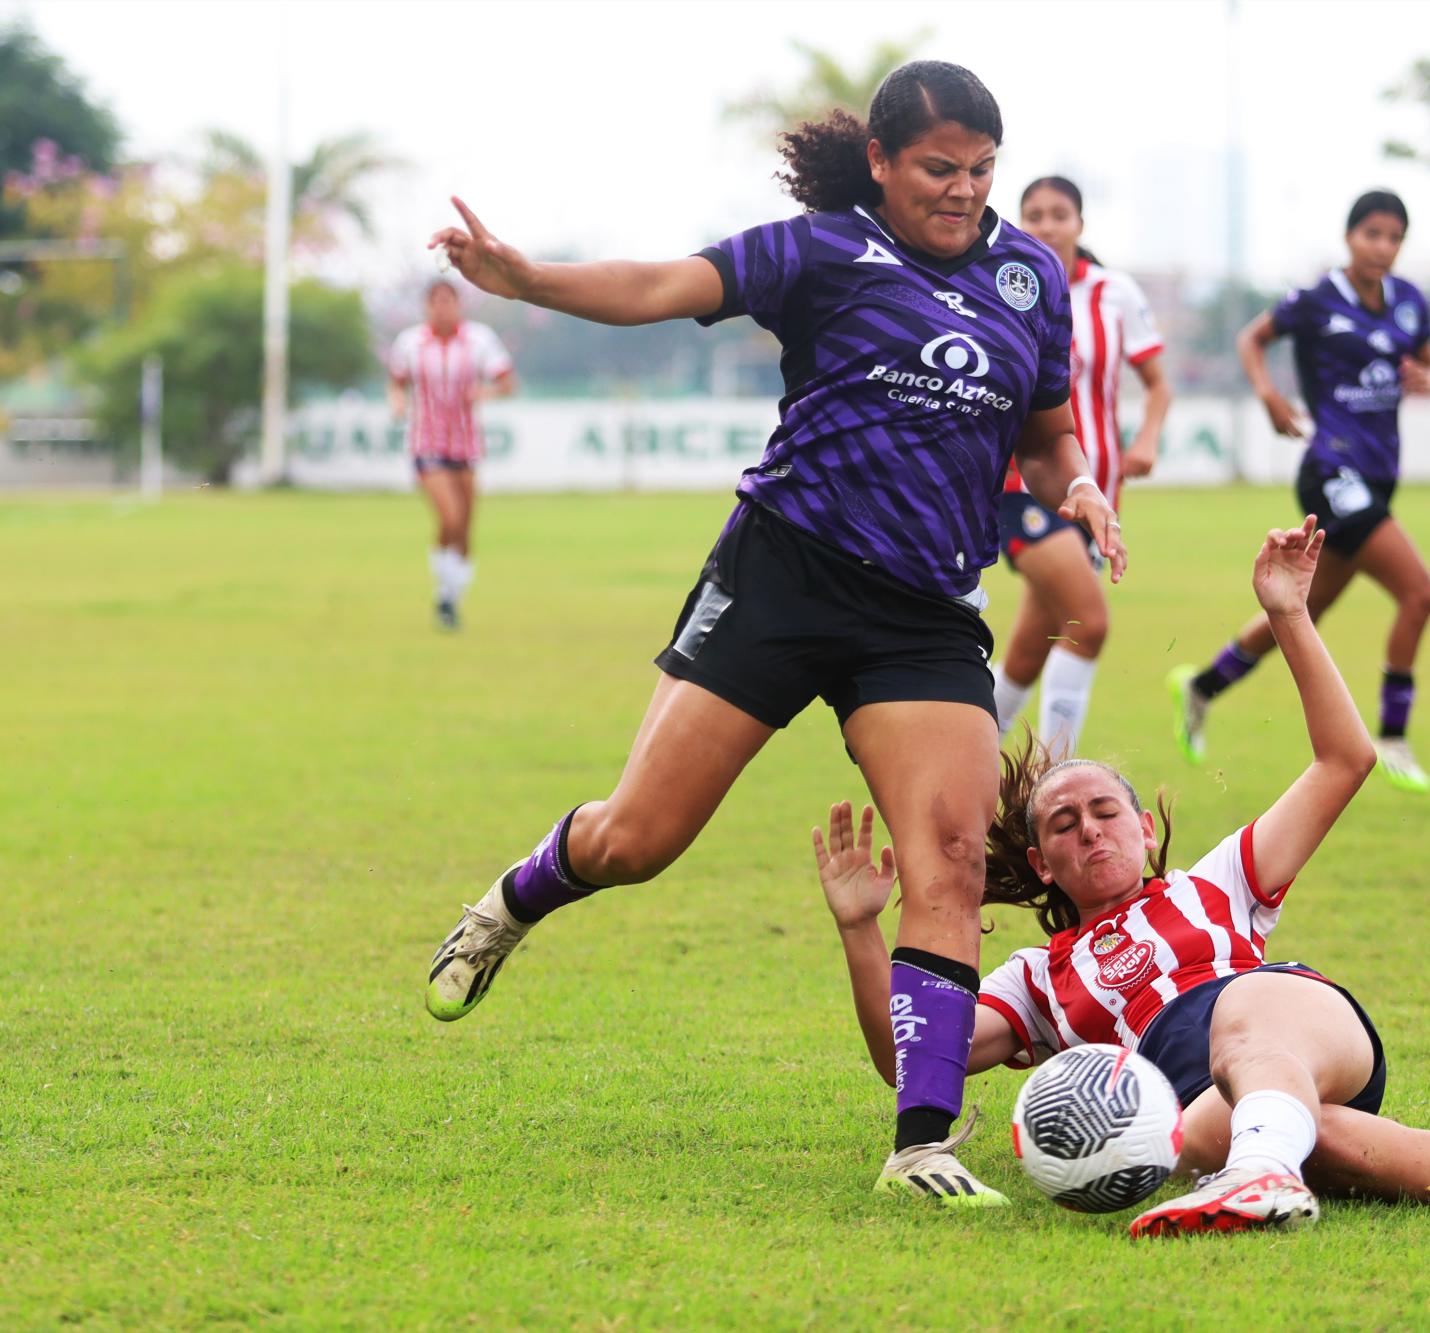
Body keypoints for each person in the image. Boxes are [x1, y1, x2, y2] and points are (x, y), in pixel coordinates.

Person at [420, 61, 1125, 1207]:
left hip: (924, 612)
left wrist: (1079, 483)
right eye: (938, 169)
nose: (962, 191)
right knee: (638, 839)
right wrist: (523, 279)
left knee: (947, 861)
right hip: (782, 572)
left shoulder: (1026, 274)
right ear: (883, 166)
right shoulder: (820, 249)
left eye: (981, 170)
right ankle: (515, 897)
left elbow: (1043, 432)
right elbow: (658, 283)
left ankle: (920, 1143)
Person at [817, 516, 1430, 1237]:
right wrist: (865, 930)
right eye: (1063, 823)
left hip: (1297, 1025)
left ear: (1145, 827)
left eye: (1105, 809)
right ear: (1039, 862)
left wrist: (1289, 616)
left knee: (1243, 1020)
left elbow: (1342, 761)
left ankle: (1261, 1168)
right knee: (1367, 1155)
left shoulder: (1215, 883)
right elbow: (915, 1061)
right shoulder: (1037, 983)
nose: (1090, 828)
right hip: (1205, 1118)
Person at [1170, 190, 1430, 791]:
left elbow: (1425, 360)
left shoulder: (1410, 303)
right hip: (1331, 469)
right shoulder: (1317, 299)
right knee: (1420, 594)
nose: (1383, 246)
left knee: (1302, 611)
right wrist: (1268, 393)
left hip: (1376, 474)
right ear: (1350, 237)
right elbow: (1251, 338)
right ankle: (1393, 735)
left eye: (1394, 237)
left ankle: (1202, 685)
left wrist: (1426, 375)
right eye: (1372, 233)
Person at [991, 176, 1171, 756]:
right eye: (1034, 214)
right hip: (1024, 486)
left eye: (1059, 214)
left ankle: (961, 761)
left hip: (1098, 490)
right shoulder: (1001, 286)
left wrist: (1146, 437)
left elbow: (1158, 384)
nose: (1046, 225)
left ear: (1080, 224)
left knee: (1027, 651)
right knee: (1087, 623)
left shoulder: (1114, 293)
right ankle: (1054, 774)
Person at [387, 279, 516, 631]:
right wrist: (397, 402)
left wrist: (483, 393)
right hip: (426, 441)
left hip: (466, 443)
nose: (442, 308)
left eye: (449, 301)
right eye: (436, 301)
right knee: (450, 515)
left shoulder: (479, 340)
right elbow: (396, 382)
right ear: (427, 306)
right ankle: (445, 597)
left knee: (465, 527)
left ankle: (450, 595)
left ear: (459, 305)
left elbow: (507, 383)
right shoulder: (410, 343)